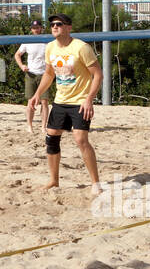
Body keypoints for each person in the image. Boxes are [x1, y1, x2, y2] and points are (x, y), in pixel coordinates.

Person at [28, 14, 104, 194]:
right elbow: (49, 74)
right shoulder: (51, 48)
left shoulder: (81, 47)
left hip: (80, 101)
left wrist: (89, 99)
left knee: (80, 139)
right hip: (61, 101)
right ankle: (54, 180)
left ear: (69, 27)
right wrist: (37, 94)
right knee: (51, 137)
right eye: (52, 24)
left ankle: (95, 183)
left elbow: (98, 75)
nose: (54, 27)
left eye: (59, 24)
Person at [15, 19, 50, 134]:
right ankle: (29, 126)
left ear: (41, 28)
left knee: (44, 102)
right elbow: (17, 55)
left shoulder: (47, 41)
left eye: (38, 27)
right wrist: (22, 66)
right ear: (31, 29)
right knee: (31, 101)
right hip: (31, 74)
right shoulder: (27, 41)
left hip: (44, 74)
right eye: (34, 28)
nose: (36, 30)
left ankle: (43, 127)